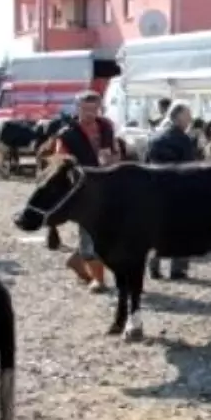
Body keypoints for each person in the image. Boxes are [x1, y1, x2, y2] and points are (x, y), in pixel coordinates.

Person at [55, 90, 120, 292]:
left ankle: (77, 261)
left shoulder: (106, 126)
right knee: (89, 233)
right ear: (77, 108)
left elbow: (115, 151)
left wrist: (113, 160)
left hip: (107, 185)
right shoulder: (67, 134)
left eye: (94, 109)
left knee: (106, 232)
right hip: (83, 190)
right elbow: (59, 164)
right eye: (86, 109)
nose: (91, 113)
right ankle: (98, 280)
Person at [145, 102, 200, 280]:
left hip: (154, 189)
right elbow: (190, 167)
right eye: (188, 115)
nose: (190, 119)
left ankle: (154, 266)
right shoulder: (182, 139)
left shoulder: (154, 136)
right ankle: (178, 269)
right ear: (178, 117)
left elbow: (146, 162)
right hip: (177, 189)